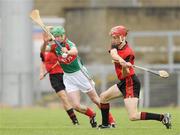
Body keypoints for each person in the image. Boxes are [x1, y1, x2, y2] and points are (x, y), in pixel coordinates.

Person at [98, 25, 172, 129]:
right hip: (124, 82)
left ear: (123, 37)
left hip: (130, 83)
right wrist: (121, 60)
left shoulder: (129, 53)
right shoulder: (114, 44)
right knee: (103, 97)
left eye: (115, 37)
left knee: (133, 116)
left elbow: (125, 74)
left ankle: (163, 117)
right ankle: (106, 125)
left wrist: (124, 66)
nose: (113, 40)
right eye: (113, 37)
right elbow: (114, 54)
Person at [47, 25, 115, 128]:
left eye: (60, 36)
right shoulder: (54, 46)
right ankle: (92, 115)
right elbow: (45, 49)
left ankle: (110, 120)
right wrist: (45, 41)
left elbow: (75, 51)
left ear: (63, 35)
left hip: (80, 74)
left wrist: (68, 52)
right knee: (75, 106)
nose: (58, 38)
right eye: (56, 36)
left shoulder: (69, 44)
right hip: (68, 77)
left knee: (95, 99)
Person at [39, 27, 79, 125]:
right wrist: (42, 72)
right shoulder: (48, 48)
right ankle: (74, 120)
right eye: (45, 34)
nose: (47, 35)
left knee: (72, 100)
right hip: (53, 76)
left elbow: (68, 55)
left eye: (48, 33)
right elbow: (43, 60)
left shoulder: (58, 46)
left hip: (64, 73)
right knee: (63, 97)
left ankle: (88, 113)